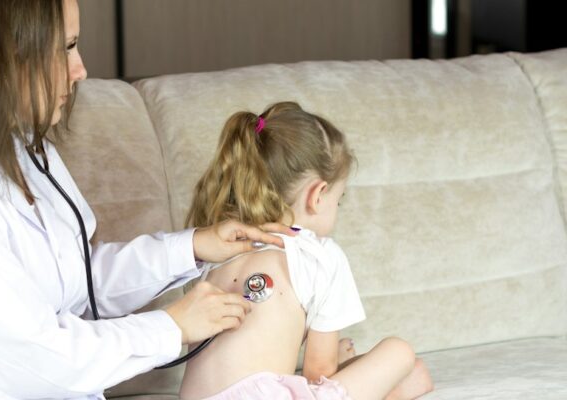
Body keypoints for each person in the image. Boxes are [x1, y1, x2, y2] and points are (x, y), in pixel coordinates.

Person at [0, 1, 294, 399]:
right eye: (66, 48)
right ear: (1, 60)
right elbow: (38, 355)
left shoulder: (28, 155)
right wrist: (171, 327)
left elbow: (81, 283)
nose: (80, 70)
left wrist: (194, 246)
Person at [179, 102, 435, 400]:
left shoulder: (219, 245)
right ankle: (398, 392)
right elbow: (319, 373)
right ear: (318, 195)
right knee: (400, 354)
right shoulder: (319, 254)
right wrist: (342, 363)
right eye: (338, 200)